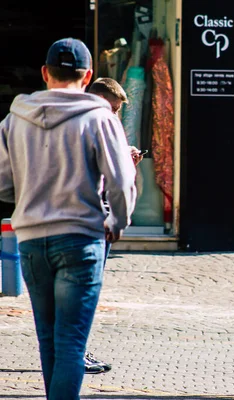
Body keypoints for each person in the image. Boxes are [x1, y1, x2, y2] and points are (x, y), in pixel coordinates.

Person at [0, 38, 137, 399]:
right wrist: (117, 222)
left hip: (31, 239)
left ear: (45, 73)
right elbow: (122, 181)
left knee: (48, 338)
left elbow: (2, 182)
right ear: (88, 75)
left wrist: (30, 197)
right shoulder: (99, 118)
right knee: (72, 341)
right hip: (81, 237)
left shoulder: (15, 119)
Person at [81, 77, 144, 374]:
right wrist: (117, 221)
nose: (116, 115)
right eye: (114, 108)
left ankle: (70, 352)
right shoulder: (93, 126)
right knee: (84, 294)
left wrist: (125, 158)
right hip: (93, 222)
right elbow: (117, 182)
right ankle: (75, 353)